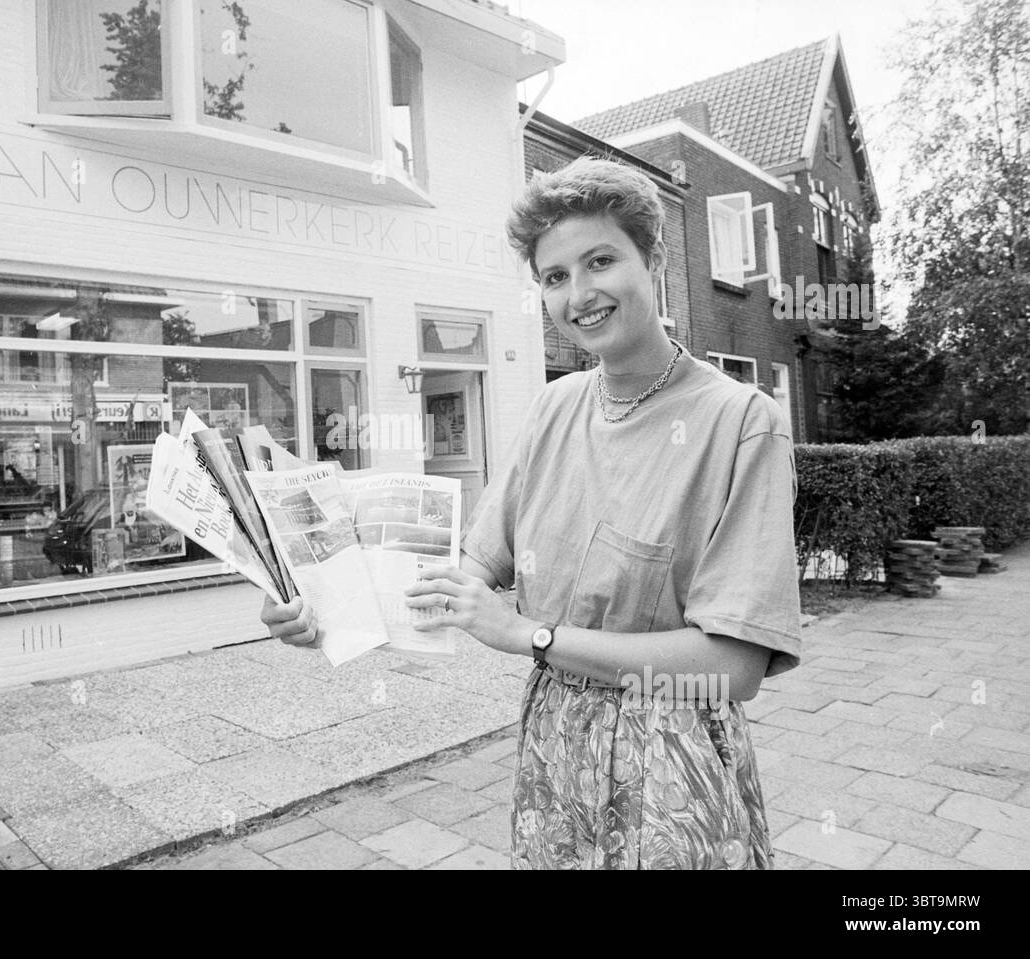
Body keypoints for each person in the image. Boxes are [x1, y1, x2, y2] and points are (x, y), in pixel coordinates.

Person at [260, 157, 802, 870]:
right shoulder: (554, 407)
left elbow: (732, 669)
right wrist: (327, 607)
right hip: (554, 757)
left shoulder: (742, 422)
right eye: (553, 276)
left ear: (655, 259)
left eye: (600, 260)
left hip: (675, 768)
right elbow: (471, 571)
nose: (579, 294)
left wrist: (532, 634)